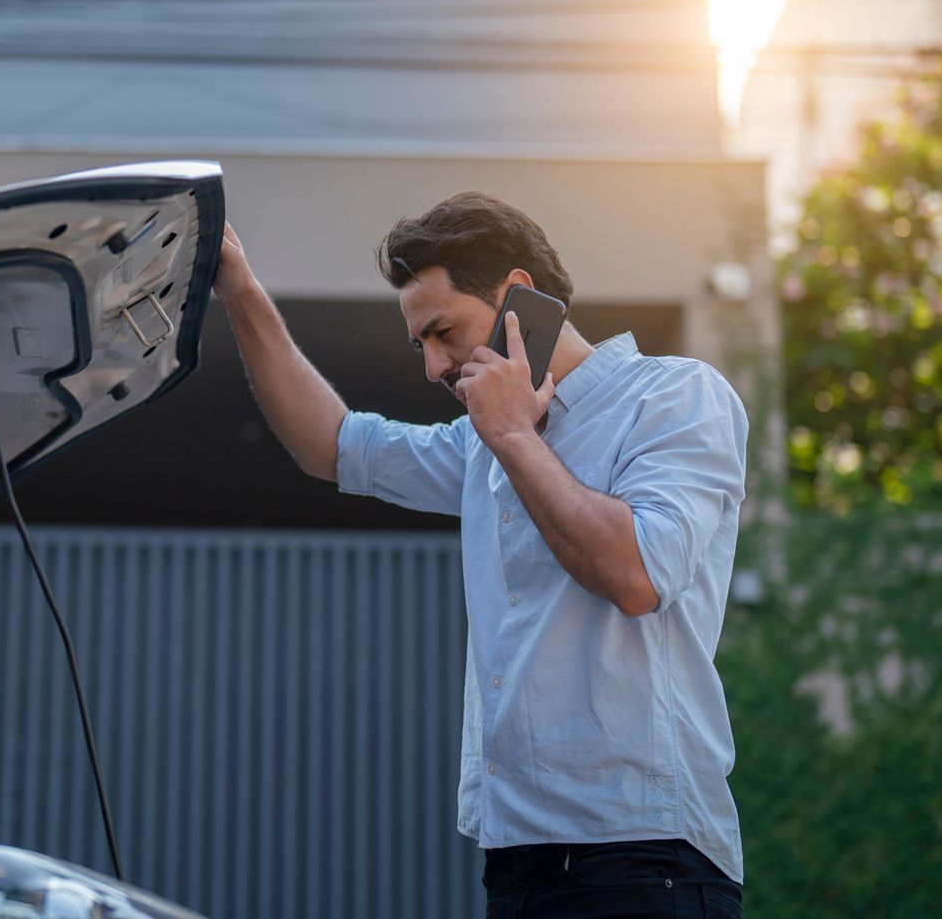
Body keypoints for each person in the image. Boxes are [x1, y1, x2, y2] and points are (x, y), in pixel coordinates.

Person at [215, 191, 747, 919]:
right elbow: (331, 445)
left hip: (645, 858)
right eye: (420, 346)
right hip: (517, 864)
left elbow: (637, 572)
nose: (433, 366)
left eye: (443, 332)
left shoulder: (676, 396)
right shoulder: (482, 444)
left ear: (517, 300)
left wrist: (515, 437)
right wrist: (239, 288)